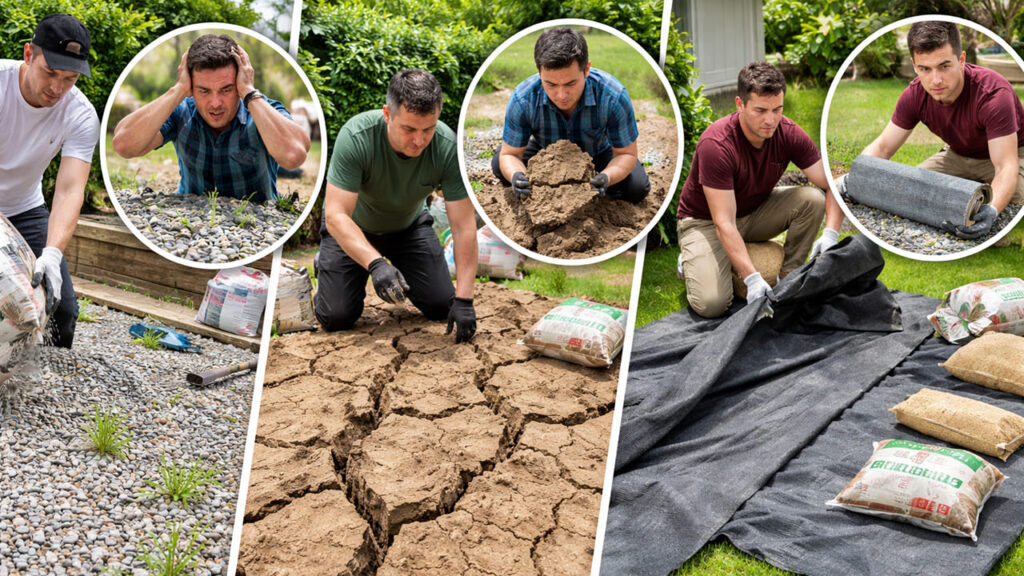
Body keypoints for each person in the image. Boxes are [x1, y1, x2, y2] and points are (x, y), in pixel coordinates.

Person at [315, 69, 478, 343]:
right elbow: (335, 215)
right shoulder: (356, 137)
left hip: (409, 228)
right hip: (353, 229)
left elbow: (463, 227)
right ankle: (327, 265)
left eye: (429, 129)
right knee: (336, 316)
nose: (419, 140)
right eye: (409, 129)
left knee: (442, 305)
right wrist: (375, 263)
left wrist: (465, 299)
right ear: (387, 114)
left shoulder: (447, 147)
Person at [676, 61, 844, 318]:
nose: (770, 120)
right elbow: (723, 223)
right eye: (760, 110)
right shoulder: (717, 144)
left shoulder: (788, 132)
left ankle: (789, 278)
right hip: (705, 222)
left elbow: (831, 185)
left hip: (753, 211)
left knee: (812, 199)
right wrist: (752, 279)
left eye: (777, 109)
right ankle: (690, 260)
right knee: (712, 304)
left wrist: (831, 233)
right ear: (739, 104)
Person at [852, 20, 1024, 239]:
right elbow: (883, 147)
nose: (936, 80)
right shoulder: (914, 95)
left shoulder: (993, 95)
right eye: (925, 69)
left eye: (944, 66)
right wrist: (859, 175)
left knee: (1015, 196)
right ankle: (973, 190)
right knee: (913, 189)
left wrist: (991, 210)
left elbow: (1005, 165)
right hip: (957, 154)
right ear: (914, 65)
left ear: (961, 60)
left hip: (1012, 153)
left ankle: (979, 193)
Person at [0, 13, 100, 348]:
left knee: (62, 309)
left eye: (69, 78)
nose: (57, 88)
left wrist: (53, 253)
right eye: (50, 73)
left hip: (23, 208)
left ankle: (43, 375)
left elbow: (70, 189)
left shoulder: (81, 115)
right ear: (29, 54)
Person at [112, 34, 309, 202]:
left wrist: (248, 92)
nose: (215, 103)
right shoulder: (181, 110)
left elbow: (294, 156)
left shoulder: (263, 110)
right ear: (191, 85)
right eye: (204, 90)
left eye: (226, 89)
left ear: (240, 82)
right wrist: (178, 89)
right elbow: (123, 145)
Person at [491, 26, 650, 203]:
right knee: (500, 163)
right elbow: (510, 154)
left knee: (637, 188)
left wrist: (607, 177)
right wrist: (516, 175)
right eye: (551, 84)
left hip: (598, 155)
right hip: (546, 154)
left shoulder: (613, 96)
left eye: (570, 83)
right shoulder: (523, 98)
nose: (561, 95)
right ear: (539, 73)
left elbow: (625, 154)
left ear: (586, 69)